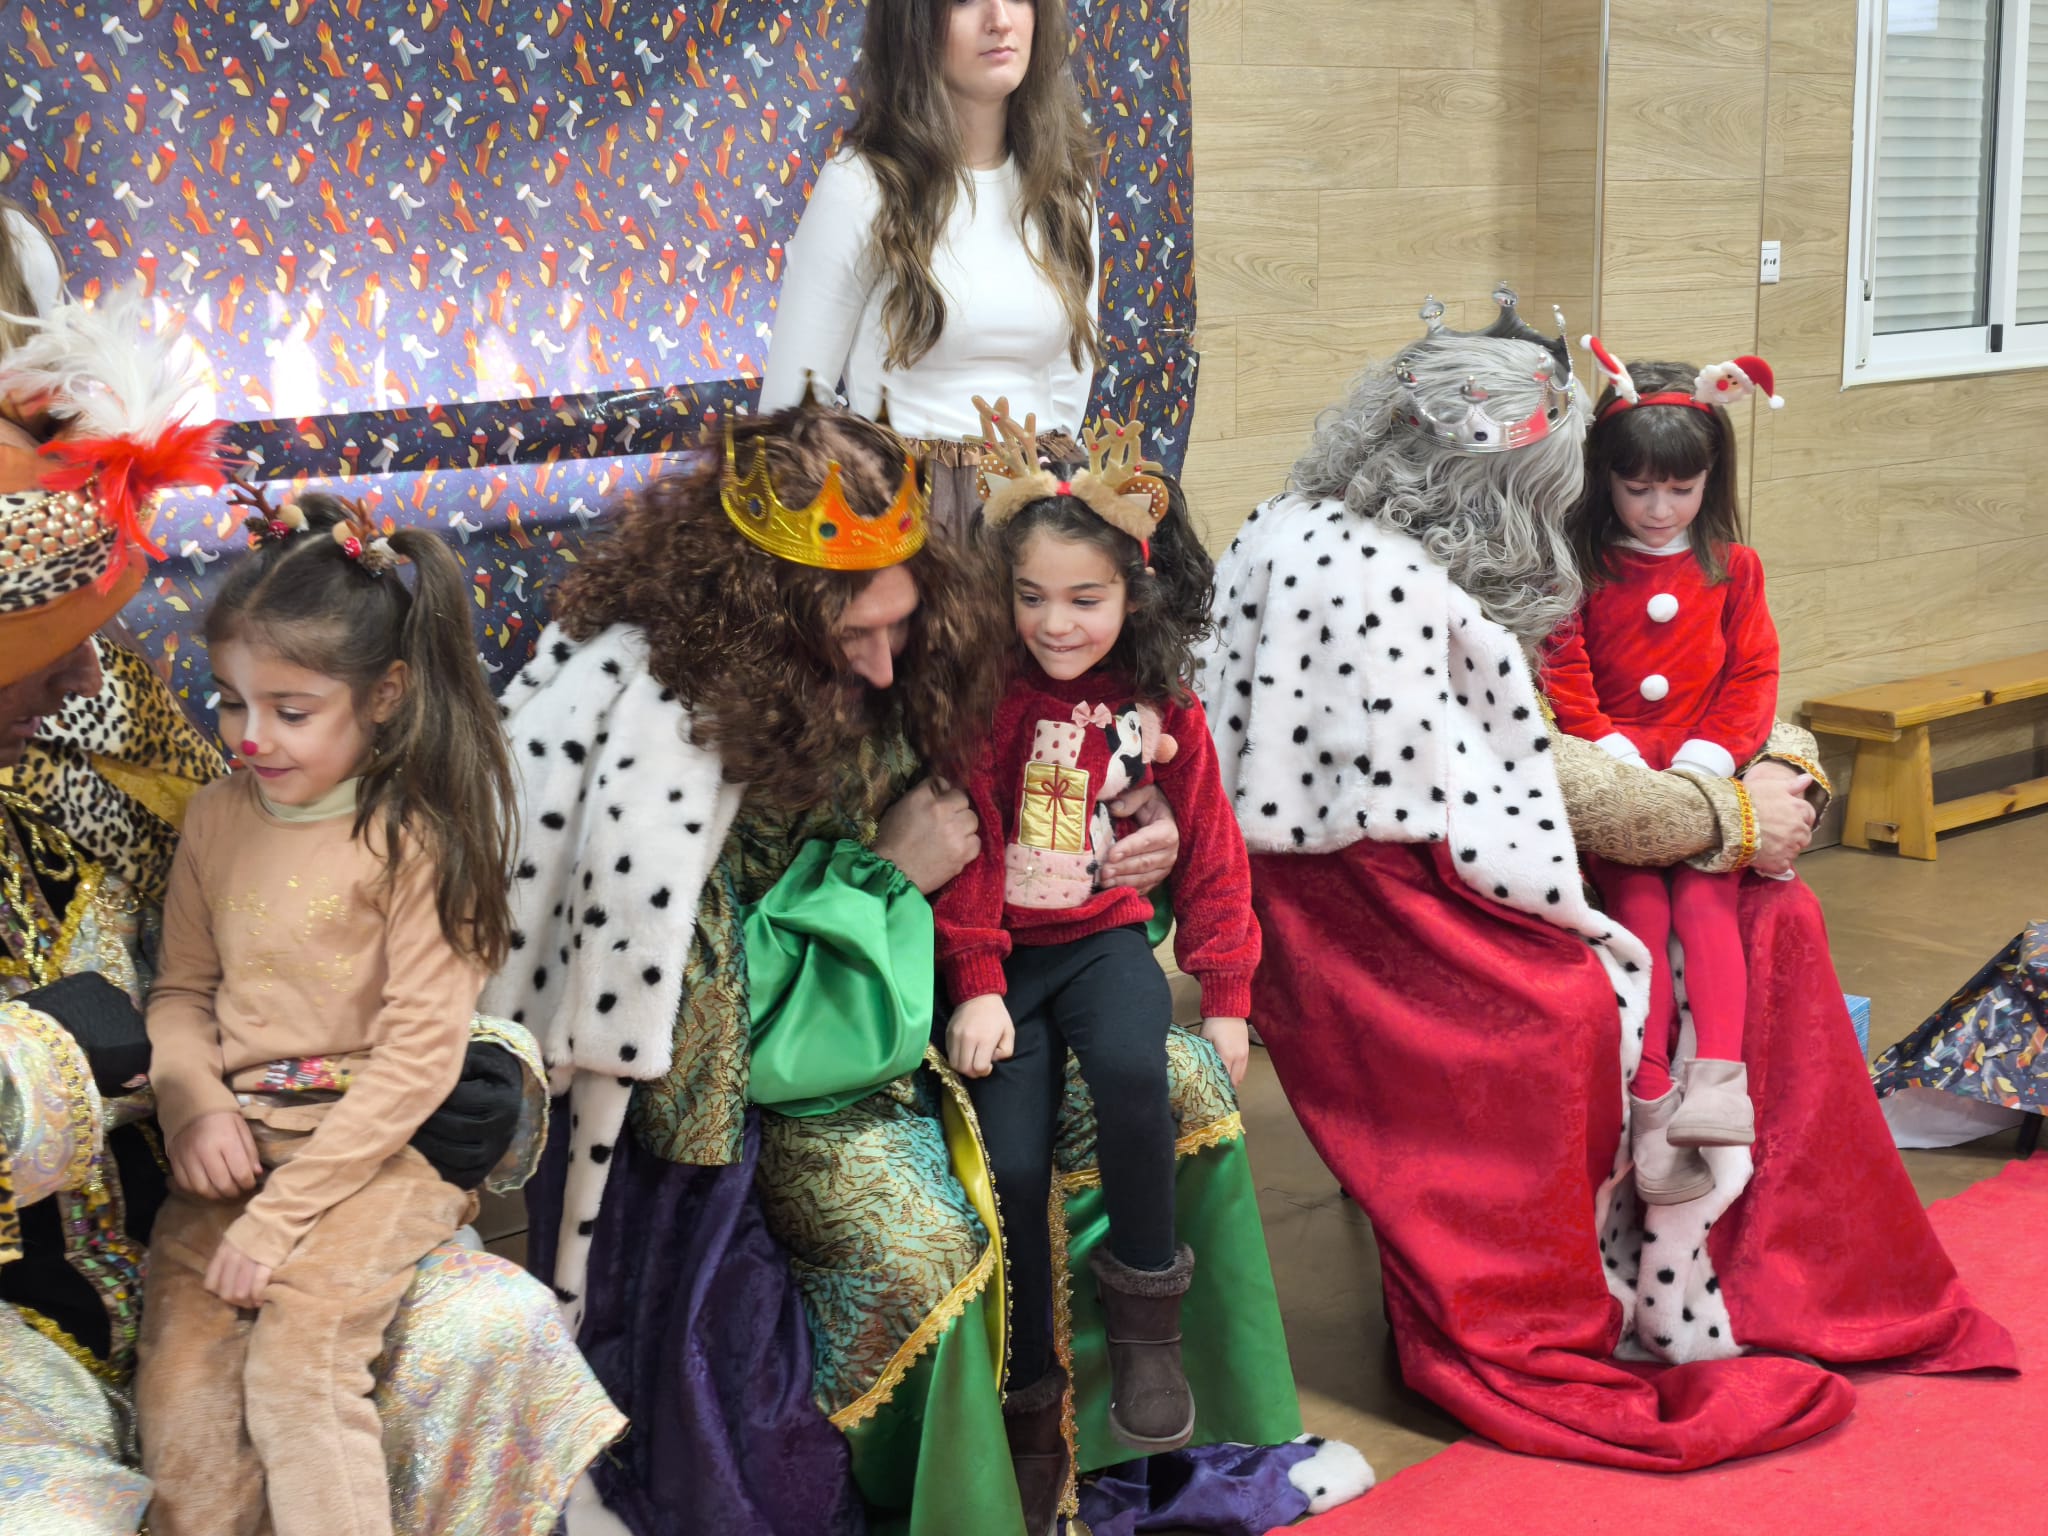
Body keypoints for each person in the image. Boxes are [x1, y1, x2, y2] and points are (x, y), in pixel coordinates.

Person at [1198, 289, 2015, 1472]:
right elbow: (1526, 771)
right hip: (1397, 906)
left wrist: (1772, 766)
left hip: (1500, 840)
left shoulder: (1429, 540)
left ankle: (1754, 1257)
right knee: (1578, 1006)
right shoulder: (1373, 582)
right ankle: (1645, 1253)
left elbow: (1710, 682)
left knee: (1773, 920)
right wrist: (1730, 814)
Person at [488, 400, 1314, 1536]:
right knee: (929, 1246)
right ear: (761, 621)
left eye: (901, 622)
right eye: (852, 637)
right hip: (794, 1072)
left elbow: (1046, 797)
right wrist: (884, 874)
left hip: (970, 985)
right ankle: (987, 1488)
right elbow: (698, 1024)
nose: (885, 664)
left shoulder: (939, 653)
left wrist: (1145, 831)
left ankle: (1148, 1418)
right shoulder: (664, 744)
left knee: (1176, 1082)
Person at [0, 288, 620, 1534]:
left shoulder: (121, 724)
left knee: (484, 1334)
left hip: (285, 1177)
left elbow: (308, 955)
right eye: (35, 649)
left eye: (92, 631)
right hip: (37, 1300)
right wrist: (63, 1065)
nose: (85, 671)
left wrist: (473, 1065)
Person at [934, 401, 1257, 1524]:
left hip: (1104, 939)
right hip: (1005, 964)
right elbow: (971, 845)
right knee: (1013, 1166)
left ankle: (1147, 1324)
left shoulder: (1160, 704)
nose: (1056, 624)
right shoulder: (986, 699)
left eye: (1085, 599)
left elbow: (1211, 846)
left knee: (1132, 1069)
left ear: (1135, 594)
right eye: (1031, 598)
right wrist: (978, 985)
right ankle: (1030, 1403)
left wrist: (1227, 995)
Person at [1542, 347, 1786, 1203]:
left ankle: (1717, 1084)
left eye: (1680, 490)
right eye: (1638, 488)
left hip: (1701, 768)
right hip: (1616, 782)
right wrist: (1608, 751)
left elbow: (1753, 674)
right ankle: (1650, 1102)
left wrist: (1711, 755)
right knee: (1640, 909)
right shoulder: (1581, 567)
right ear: (1604, 478)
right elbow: (1563, 667)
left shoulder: (1734, 567)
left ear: (1709, 481)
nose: (1658, 509)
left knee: (1707, 901)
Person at [759, 0, 1099, 527]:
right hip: (907, 524)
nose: (999, 19)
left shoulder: (1065, 191)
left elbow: (1069, 382)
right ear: (913, 23)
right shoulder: (862, 186)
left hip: (1041, 520)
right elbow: (792, 412)